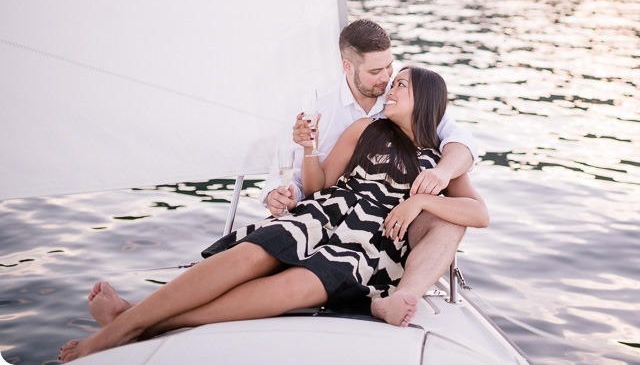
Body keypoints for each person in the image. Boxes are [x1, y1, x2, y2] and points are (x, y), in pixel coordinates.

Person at [60, 67, 488, 362]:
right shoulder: (364, 130)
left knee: (294, 287)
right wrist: (308, 151)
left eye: (401, 86)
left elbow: (477, 213)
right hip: (322, 213)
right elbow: (321, 184)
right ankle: (124, 326)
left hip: (368, 243)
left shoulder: (439, 161)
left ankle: (132, 323)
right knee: (249, 256)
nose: (389, 90)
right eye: (390, 83)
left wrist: (421, 201)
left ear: (426, 100)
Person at [261, 19, 478, 323]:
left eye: (390, 67)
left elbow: (459, 139)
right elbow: (298, 178)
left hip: (391, 229)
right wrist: (278, 193)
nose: (387, 79)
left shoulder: (403, 95)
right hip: (332, 211)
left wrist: (440, 176)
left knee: (449, 221)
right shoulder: (315, 105)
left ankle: (400, 296)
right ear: (348, 67)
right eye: (376, 72)